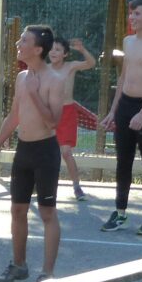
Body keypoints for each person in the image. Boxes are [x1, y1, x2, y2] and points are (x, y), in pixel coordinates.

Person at [0, 26, 65, 282]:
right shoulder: (22, 77)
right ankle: (18, 265)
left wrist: (34, 93)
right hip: (24, 151)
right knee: (18, 210)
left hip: (45, 152)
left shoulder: (54, 80)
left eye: (24, 40)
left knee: (47, 213)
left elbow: (53, 122)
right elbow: (14, 116)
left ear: (38, 49)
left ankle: (47, 273)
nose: (18, 43)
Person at [100, 0, 142, 233]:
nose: (132, 18)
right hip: (125, 106)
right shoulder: (128, 41)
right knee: (123, 162)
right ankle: (120, 213)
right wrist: (113, 111)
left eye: (137, 13)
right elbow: (123, 78)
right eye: (130, 13)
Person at [48, 37, 96, 201]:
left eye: (58, 49)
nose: (53, 52)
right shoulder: (44, 69)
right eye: (51, 49)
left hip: (67, 113)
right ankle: (43, 185)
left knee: (66, 152)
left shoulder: (71, 66)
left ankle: (76, 187)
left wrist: (82, 50)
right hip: (50, 114)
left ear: (65, 54)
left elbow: (91, 63)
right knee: (47, 152)